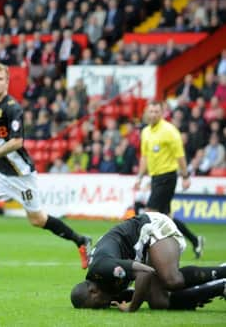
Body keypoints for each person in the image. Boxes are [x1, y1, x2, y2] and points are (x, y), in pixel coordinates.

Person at [0, 64, 91, 276]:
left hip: (21, 174)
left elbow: (16, 142)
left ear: (6, 82)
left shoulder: (13, 108)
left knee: (37, 220)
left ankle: (81, 241)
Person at [70, 212, 226, 311]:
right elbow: (137, 287)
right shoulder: (101, 282)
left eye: (97, 305)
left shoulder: (102, 268)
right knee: (159, 302)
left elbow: (145, 272)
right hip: (143, 250)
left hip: (150, 227)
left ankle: (222, 271)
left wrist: (132, 307)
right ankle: (221, 287)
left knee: (171, 280)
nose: (102, 307)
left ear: (93, 291)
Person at [134, 101, 204, 258]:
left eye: (156, 111)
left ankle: (145, 253)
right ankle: (195, 240)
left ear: (162, 112)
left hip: (168, 176)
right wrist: (139, 177)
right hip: (155, 177)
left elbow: (180, 156)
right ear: (146, 112)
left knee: (150, 214)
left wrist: (185, 176)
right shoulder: (145, 132)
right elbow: (144, 157)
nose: (153, 114)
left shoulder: (169, 131)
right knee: (167, 219)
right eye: (150, 111)